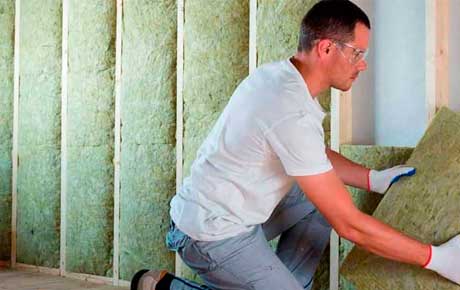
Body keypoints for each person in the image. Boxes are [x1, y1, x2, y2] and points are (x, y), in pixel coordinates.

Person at [131, 0, 460, 289]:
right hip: (207, 234)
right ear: (327, 48)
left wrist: (372, 178)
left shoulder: (279, 77)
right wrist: (435, 258)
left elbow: (311, 155)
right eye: (358, 53)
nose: (363, 64)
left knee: (319, 196)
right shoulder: (289, 110)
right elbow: (350, 226)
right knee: (334, 206)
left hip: (229, 212)